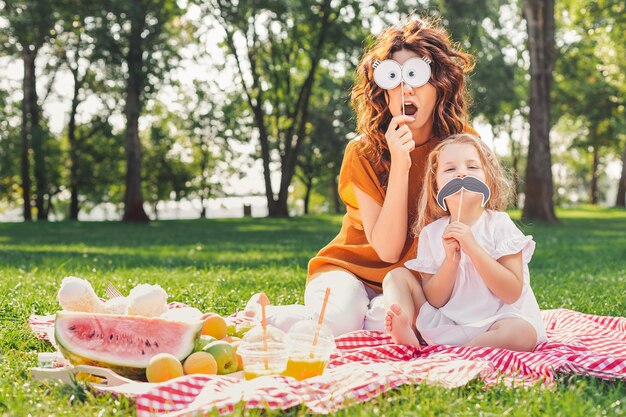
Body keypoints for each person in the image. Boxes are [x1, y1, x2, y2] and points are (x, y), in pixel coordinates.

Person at [243, 17, 477, 336]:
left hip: (412, 281)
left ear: (440, 84)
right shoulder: (363, 151)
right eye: (393, 78)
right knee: (334, 325)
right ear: (383, 90)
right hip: (348, 272)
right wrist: (400, 162)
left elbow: (475, 228)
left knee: (406, 326)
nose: (405, 89)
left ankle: (300, 316)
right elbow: (389, 250)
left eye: (416, 75)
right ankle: (267, 316)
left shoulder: (463, 146)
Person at [384, 134, 547, 351]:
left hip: (496, 322)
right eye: (450, 169)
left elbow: (511, 292)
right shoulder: (431, 234)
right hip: (448, 323)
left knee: (522, 334)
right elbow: (435, 300)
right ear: (436, 184)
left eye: (472, 167)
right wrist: (450, 262)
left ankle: (463, 351)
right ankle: (405, 326)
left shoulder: (499, 225)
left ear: (488, 178)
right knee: (396, 276)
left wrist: (473, 248)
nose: (462, 173)